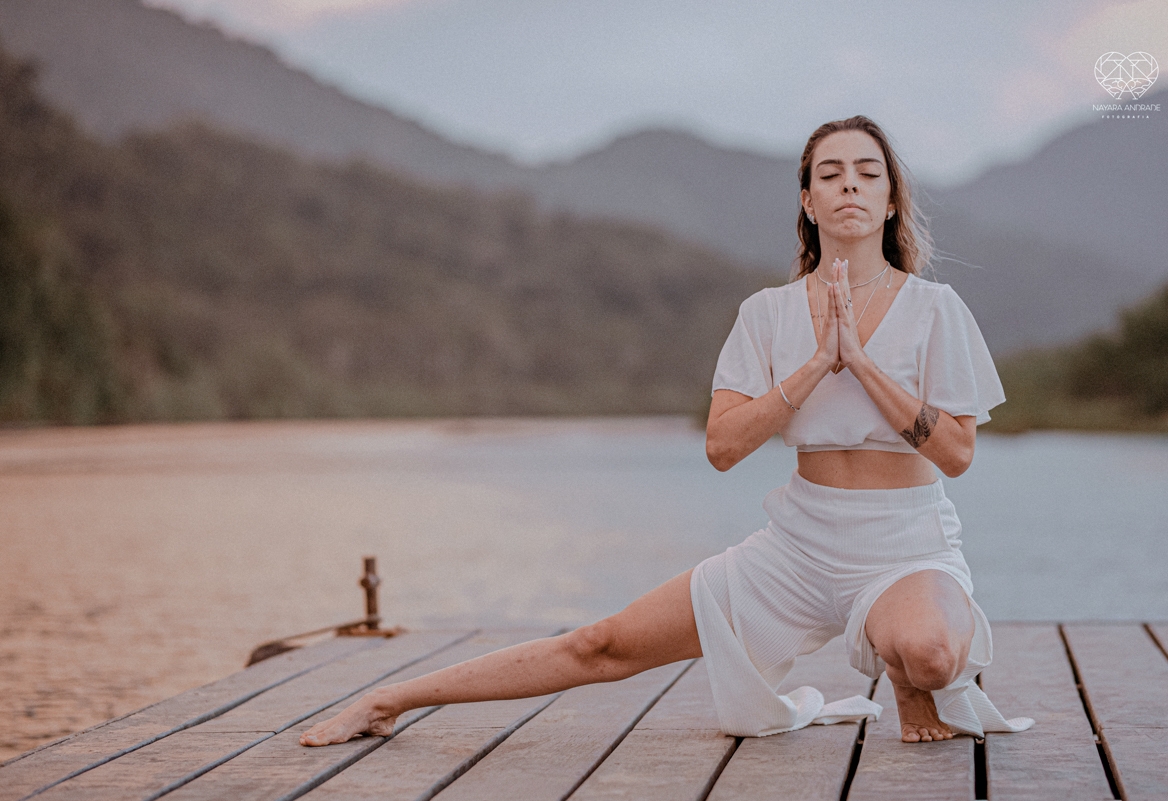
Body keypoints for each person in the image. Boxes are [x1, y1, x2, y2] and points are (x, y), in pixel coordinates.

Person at [299, 115, 1032, 748]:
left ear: (890, 197)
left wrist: (862, 364)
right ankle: (389, 699)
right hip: (801, 545)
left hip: (904, 545)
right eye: (830, 174)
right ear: (806, 201)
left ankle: (906, 672)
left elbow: (957, 454)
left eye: (867, 173)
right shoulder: (765, 315)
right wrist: (814, 367)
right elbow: (722, 447)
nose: (849, 185)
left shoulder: (937, 309)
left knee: (931, 652)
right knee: (603, 643)